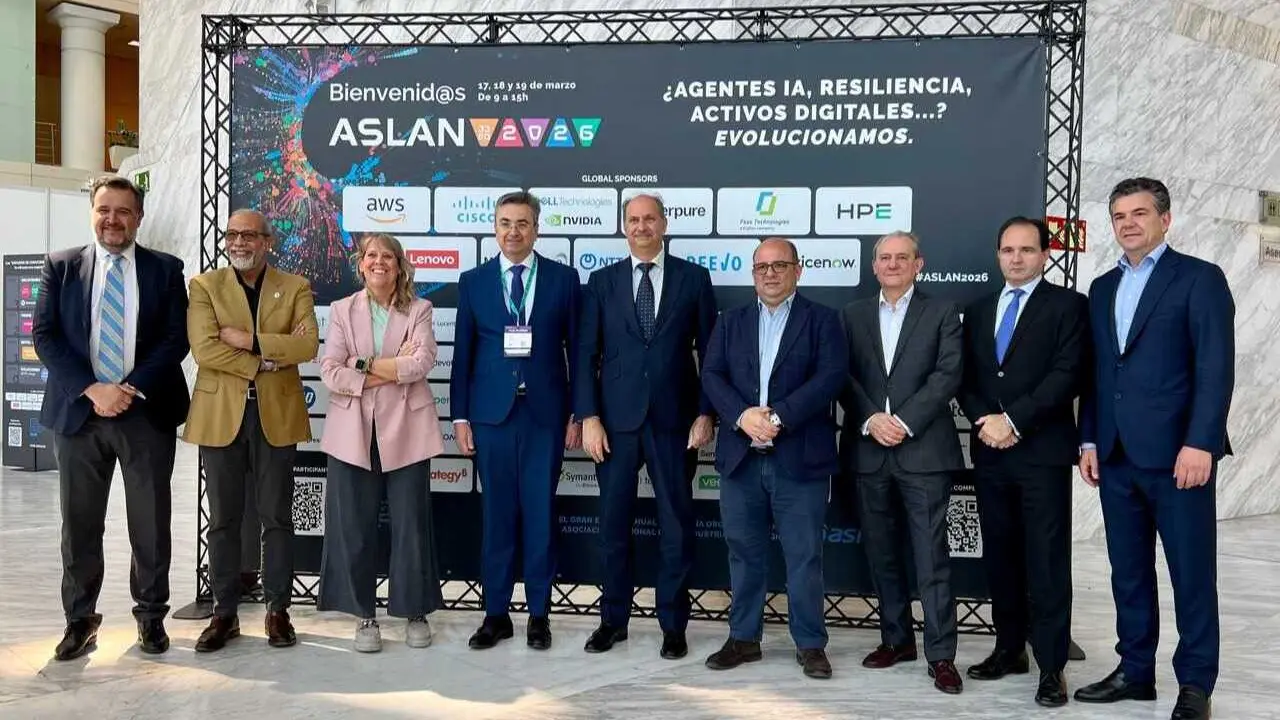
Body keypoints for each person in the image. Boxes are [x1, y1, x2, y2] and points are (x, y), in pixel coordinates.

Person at [1075, 178, 1234, 720]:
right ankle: (1134, 671)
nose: (1128, 223)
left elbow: (1215, 369)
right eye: (1119, 215)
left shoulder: (1199, 280)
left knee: (1191, 574)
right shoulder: (1101, 288)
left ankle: (1195, 684)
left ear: (1165, 219)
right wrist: (1090, 437)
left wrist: (1200, 443)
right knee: (1128, 571)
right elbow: (1100, 373)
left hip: (1178, 459)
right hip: (1116, 456)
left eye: (1140, 213)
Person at [33, 174, 190, 661]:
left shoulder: (166, 269)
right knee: (79, 527)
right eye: (105, 209)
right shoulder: (61, 266)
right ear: (93, 212)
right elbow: (45, 336)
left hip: (144, 412)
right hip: (79, 414)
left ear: (138, 218)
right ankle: (80, 622)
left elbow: (175, 338)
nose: (113, 219)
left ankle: (150, 618)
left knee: (150, 524)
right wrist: (93, 389)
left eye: (124, 211)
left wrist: (129, 388)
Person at [575, 193, 718, 659]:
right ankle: (613, 620)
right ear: (624, 227)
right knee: (612, 526)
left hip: (676, 423)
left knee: (676, 525)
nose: (641, 226)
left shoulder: (694, 279)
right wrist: (589, 416)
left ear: (664, 224)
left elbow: (711, 355)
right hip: (614, 426)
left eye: (649, 218)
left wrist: (706, 412)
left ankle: (673, 626)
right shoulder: (601, 282)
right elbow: (585, 356)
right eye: (633, 219)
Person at [700, 238, 847, 680]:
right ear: (753, 273)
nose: (770, 273)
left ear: (797, 271)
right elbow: (711, 374)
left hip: (799, 458)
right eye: (762, 266)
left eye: (779, 265)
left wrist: (778, 417)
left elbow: (830, 377)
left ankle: (810, 644)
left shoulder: (823, 320)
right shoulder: (731, 321)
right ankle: (744, 639)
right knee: (744, 553)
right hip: (741, 458)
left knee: (804, 556)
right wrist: (743, 416)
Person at [958, 217, 1088, 707]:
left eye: (1026, 250)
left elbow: (1067, 375)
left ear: (1044, 254)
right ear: (998, 255)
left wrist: (1013, 420)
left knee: (1047, 561)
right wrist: (983, 420)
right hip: (990, 453)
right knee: (1001, 556)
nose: (1016, 258)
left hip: (1041, 454)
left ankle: (1051, 666)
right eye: (1008, 250)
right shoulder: (978, 309)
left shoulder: (1070, 306)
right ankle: (1009, 648)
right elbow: (965, 378)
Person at [450, 190, 582, 651]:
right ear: (494, 227)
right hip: (491, 418)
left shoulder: (565, 281)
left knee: (541, 516)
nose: (513, 231)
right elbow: (462, 354)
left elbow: (580, 355)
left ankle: (540, 615)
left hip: (545, 416)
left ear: (536, 227)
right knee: (497, 517)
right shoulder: (474, 281)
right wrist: (461, 416)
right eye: (505, 222)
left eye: (522, 223)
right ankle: (496, 614)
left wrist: (578, 413)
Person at [183, 209, 319, 652]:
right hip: (221, 416)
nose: (239, 242)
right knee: (223, 520)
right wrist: (266, 358)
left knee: (277, 518)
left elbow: (307, 345)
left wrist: (248, 340)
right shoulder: (205, 286)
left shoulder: (295, 286)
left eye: (249, 235)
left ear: (267, 241)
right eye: (232, 235)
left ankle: (278, 611)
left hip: (275, 417)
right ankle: (224, 614)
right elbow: (204, 349)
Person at [838, 231, 965, 694]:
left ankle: (941, 655)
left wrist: (903, 422)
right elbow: (842, 375)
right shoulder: (852, 315)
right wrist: (872, 419)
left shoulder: (943, 312)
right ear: (874, 267)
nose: (892, 264)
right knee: (882, 554)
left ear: (919, 264)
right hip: (869, 452)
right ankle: (897, 640)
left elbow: (948, 373)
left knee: (931, 558)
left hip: (923, 452)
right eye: (884, 258)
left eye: (901, 257)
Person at [318, 233, 445, 652]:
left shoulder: (420, 309)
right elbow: (330, 370)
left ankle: (414, 612)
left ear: (399, 265)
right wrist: (387, 368)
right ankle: (364, 616)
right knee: (353, 526)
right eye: (371, 255)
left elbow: (423, 361)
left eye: (387, 256)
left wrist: (363, 365)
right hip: (353, 432)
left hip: (407, 431)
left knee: (411, 526)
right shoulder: (340, 310)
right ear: (360, 264)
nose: (378, 262)